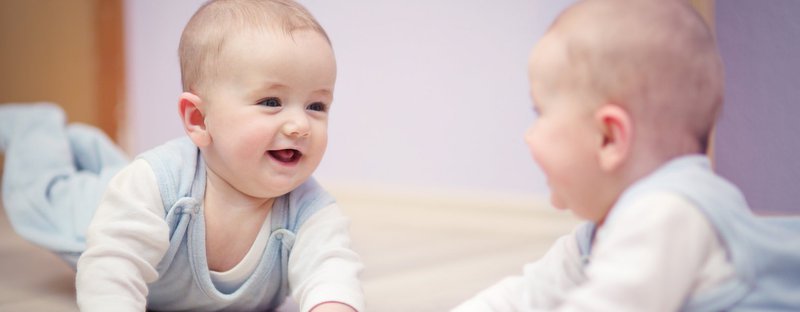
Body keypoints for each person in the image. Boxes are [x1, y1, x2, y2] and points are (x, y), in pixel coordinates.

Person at [0, 0, 364, 311]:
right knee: (43, 191)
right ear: (199, 119)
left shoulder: (310, 211)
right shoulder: (156, 184)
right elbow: (112, 263)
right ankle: (34, 127)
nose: (300, 125)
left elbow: (331, 270)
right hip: (98, 212)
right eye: (271, 102)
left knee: (119, 172)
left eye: (317, 105)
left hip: (136, 191)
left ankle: (86, 146)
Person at [454, 0, 800, 311]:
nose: (528, 135)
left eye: (539, 112)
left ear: (609, 138)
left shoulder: (669, 212)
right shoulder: (593, 238)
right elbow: (527, 296)